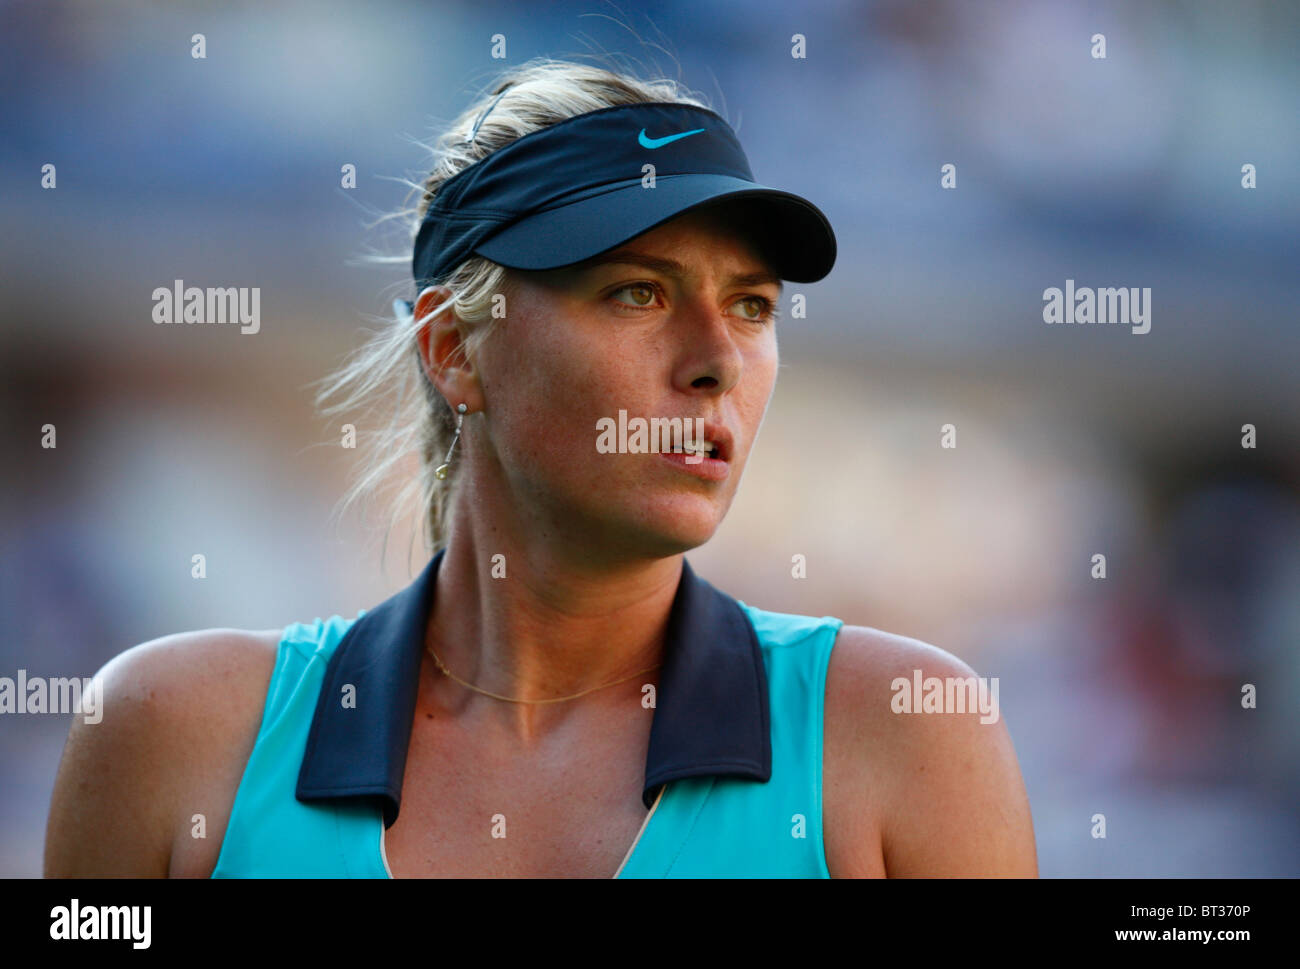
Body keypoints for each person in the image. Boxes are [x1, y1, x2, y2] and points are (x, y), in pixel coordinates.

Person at [45, 58, 1037, 878]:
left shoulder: (903, 735)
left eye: (751, 305)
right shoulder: (172, 730)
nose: (717, 361)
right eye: (636, 293)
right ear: (453, 350)